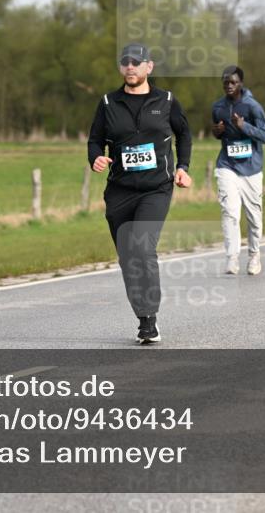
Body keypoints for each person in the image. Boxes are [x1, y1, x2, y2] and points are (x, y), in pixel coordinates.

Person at [87, 43, 192, 344]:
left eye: (137, 61)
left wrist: (182, 167)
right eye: (125, 62)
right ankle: (142, 315)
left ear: (149, 66)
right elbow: (94, 141)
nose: (130, 66)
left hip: (156, 188)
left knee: (143, 249)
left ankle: (150, 319)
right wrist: (95, 157)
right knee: (127, 257)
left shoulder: (167, 100)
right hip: (119, 190)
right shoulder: (108, 102)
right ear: (121, 68)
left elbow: (184, 134)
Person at [211, 66, 265, 275]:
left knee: (254, 217)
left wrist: (244, 126)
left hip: (252, 169)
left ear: (241, 84)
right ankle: (232, 257)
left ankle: (254, 256)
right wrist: (216, 132)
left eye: (233, 82)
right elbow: (219, 133)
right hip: (227, 166)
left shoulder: (253, 107)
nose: (229, 85)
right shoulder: (217, 107)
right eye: (226, 82)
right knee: (230, 212)